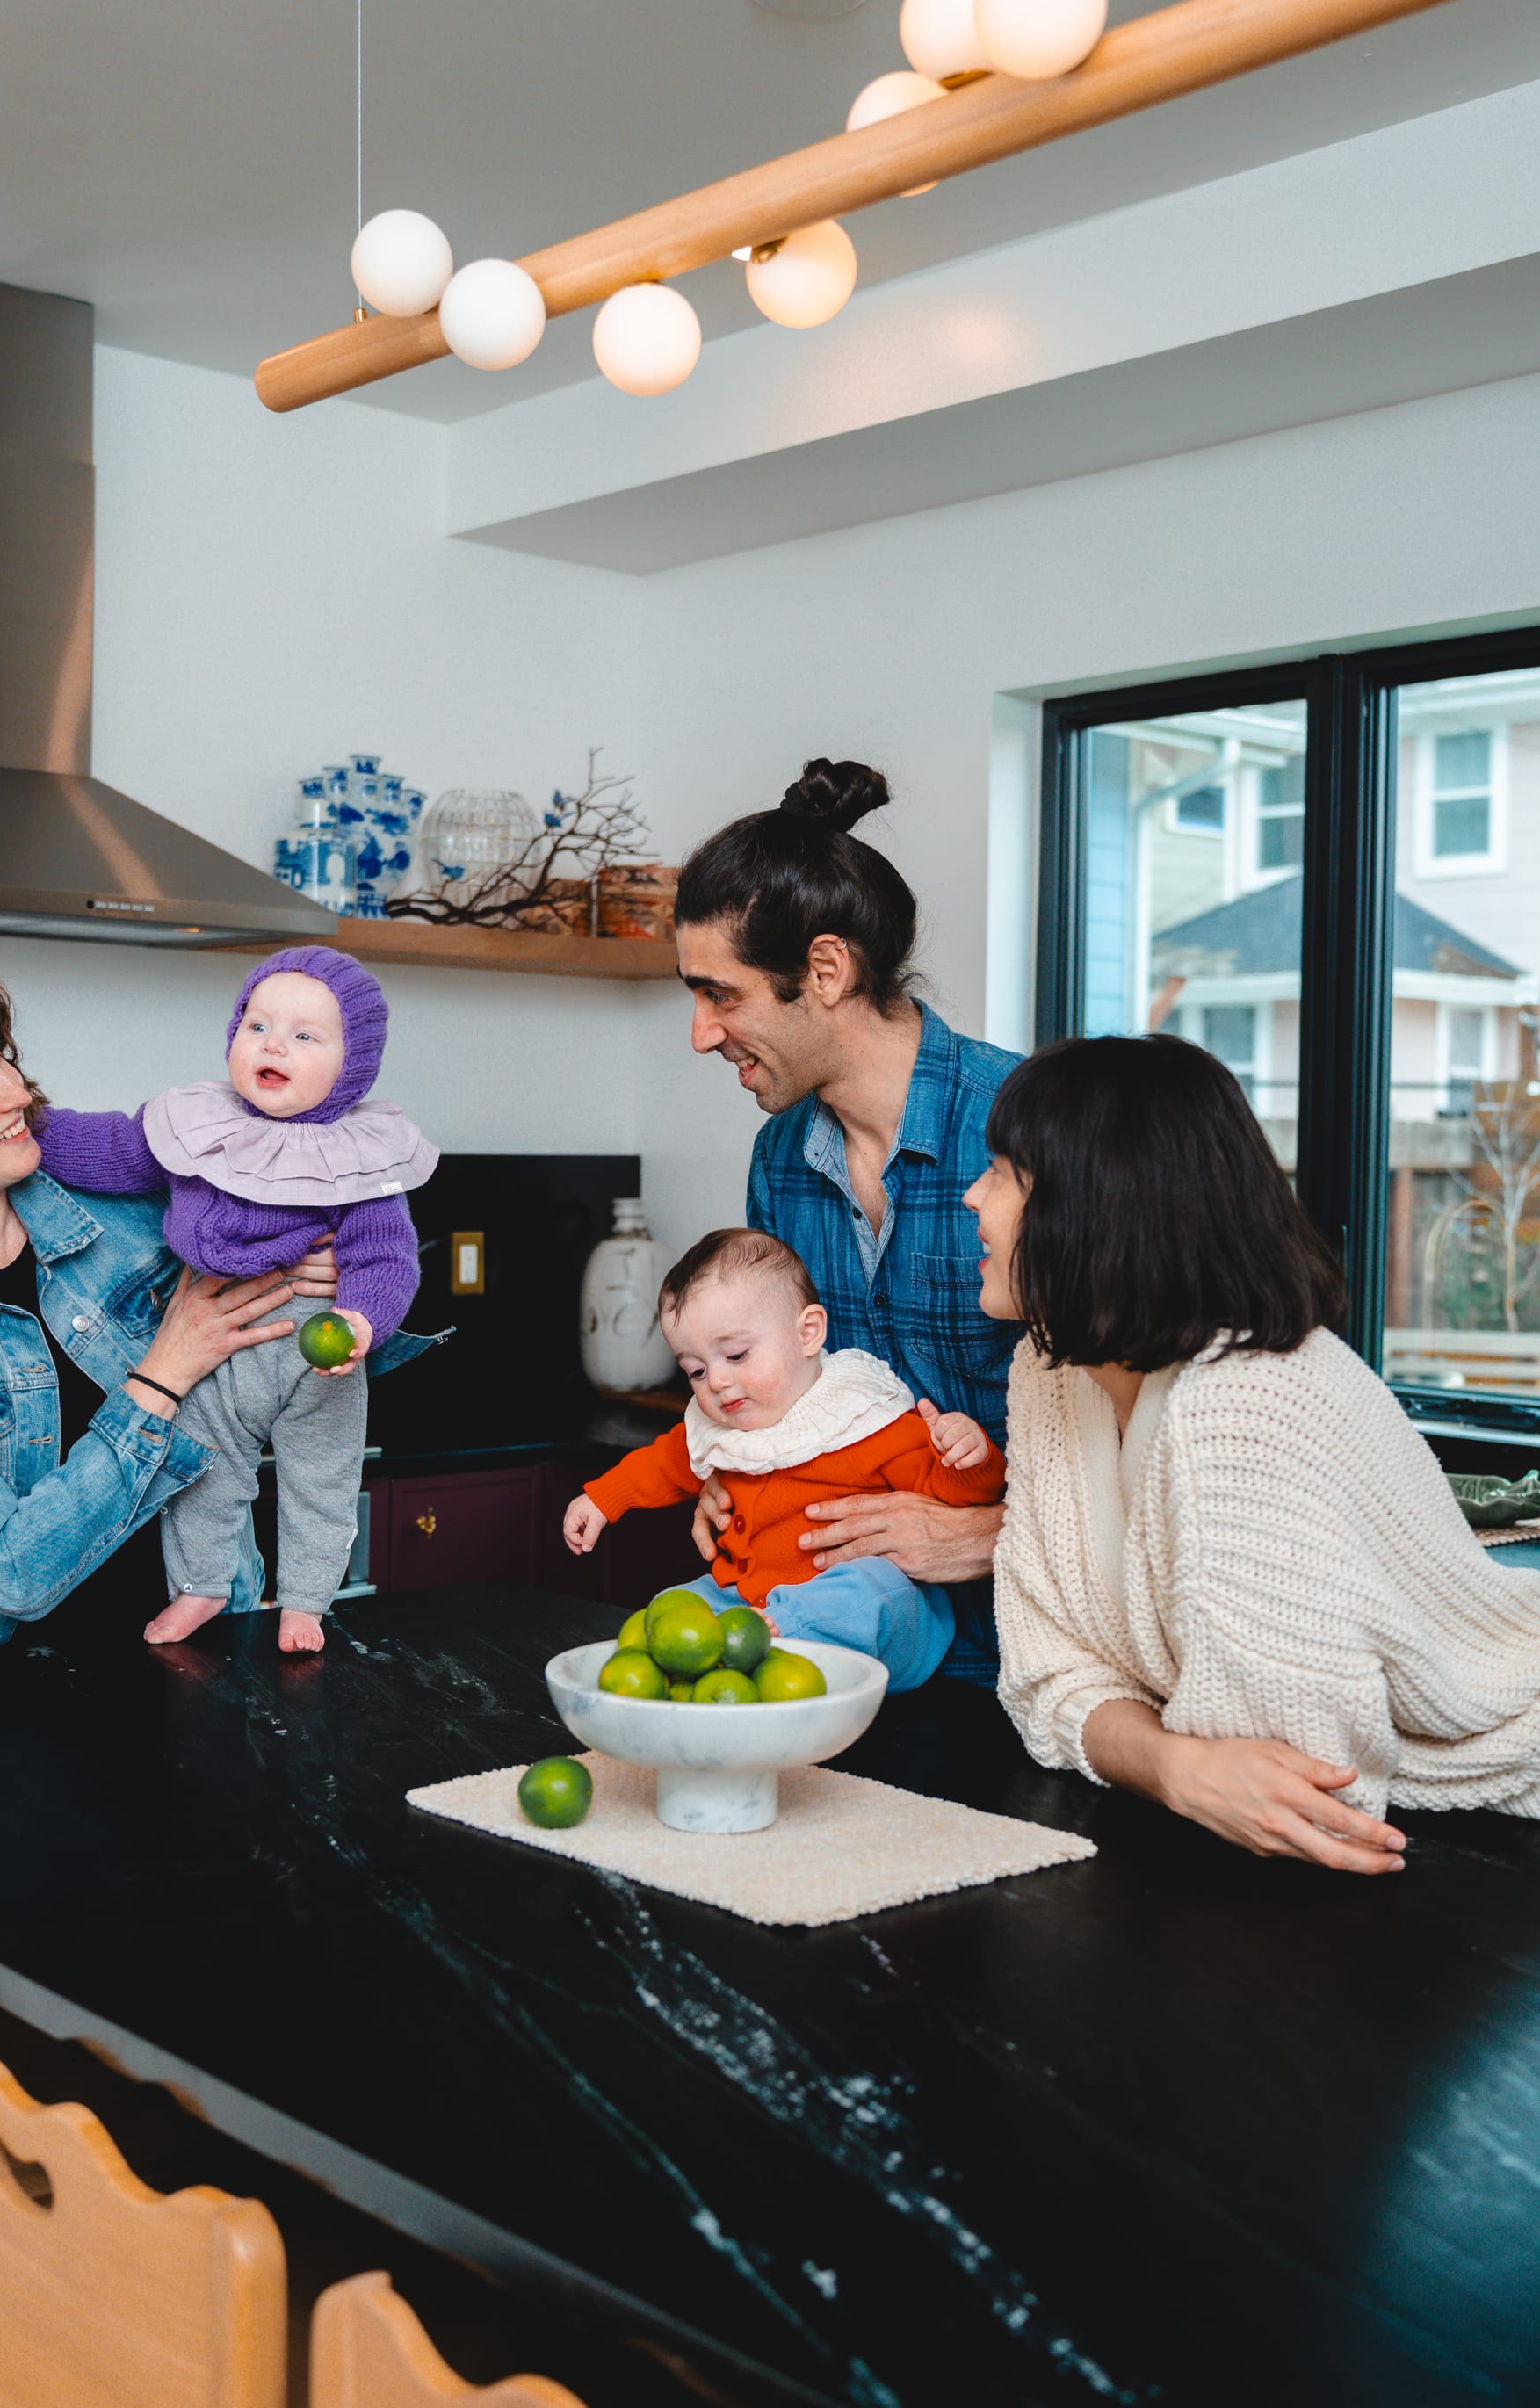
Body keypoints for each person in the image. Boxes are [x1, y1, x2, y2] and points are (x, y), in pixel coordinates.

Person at [975, 1033, 1540, 1872]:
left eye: (1001, 1174)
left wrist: (1176, 1760)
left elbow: (1302, 1786)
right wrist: (1174, 1767)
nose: (971, 1195)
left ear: (1094, 1206)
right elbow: (1042, 1674)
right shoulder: (1049, 1369)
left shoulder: (1241, 1408)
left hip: (1494, 1794)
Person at [0, 952, 341, 1661]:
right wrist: (164, 1373)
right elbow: (9, 1573)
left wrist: (318, 1269)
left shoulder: (134, 1215)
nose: (16, 1092)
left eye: (0, 1058)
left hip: (198, 1649)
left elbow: (280, 1355)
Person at [672, 757, 1020, 1681]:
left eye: (721, 994)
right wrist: (739, 1472)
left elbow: (1147, 1442)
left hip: (1032, 1667)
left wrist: (990, 1531)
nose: (701, 1034)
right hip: (826, 1656)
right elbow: (797, 1385)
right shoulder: (779, 1160)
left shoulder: (1027, 1128)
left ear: (825, 970)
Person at [33, 946, 437, 1652]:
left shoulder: (358, 1156)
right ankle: (203, 1586)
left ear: (352, 1065)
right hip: (218, 1345)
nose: (273, 1044)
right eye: (257, 1026)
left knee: (322, 1480)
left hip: (318, 1352)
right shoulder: (197, 1126)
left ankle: (306, 1604)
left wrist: (361, 1321)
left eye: (305, 1036)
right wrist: (31, 1125)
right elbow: (110, 1148)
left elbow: (385, 1257)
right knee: (201, 1470)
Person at [561, 1228, 1003, 1688]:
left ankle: (782, 1635)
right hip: (753, 1602)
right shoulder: (724, 1426)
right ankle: (715, 1661)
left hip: (883, 1616)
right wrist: (602, 1500)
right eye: (696, 1370)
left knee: (868, 1585)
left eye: (736, 1355)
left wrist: (968, 1458)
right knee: (676, 1605)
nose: (716, 1382)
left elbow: (952, 1492)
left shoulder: (860, 1413)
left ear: (807, 1333)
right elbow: (665, 1462)